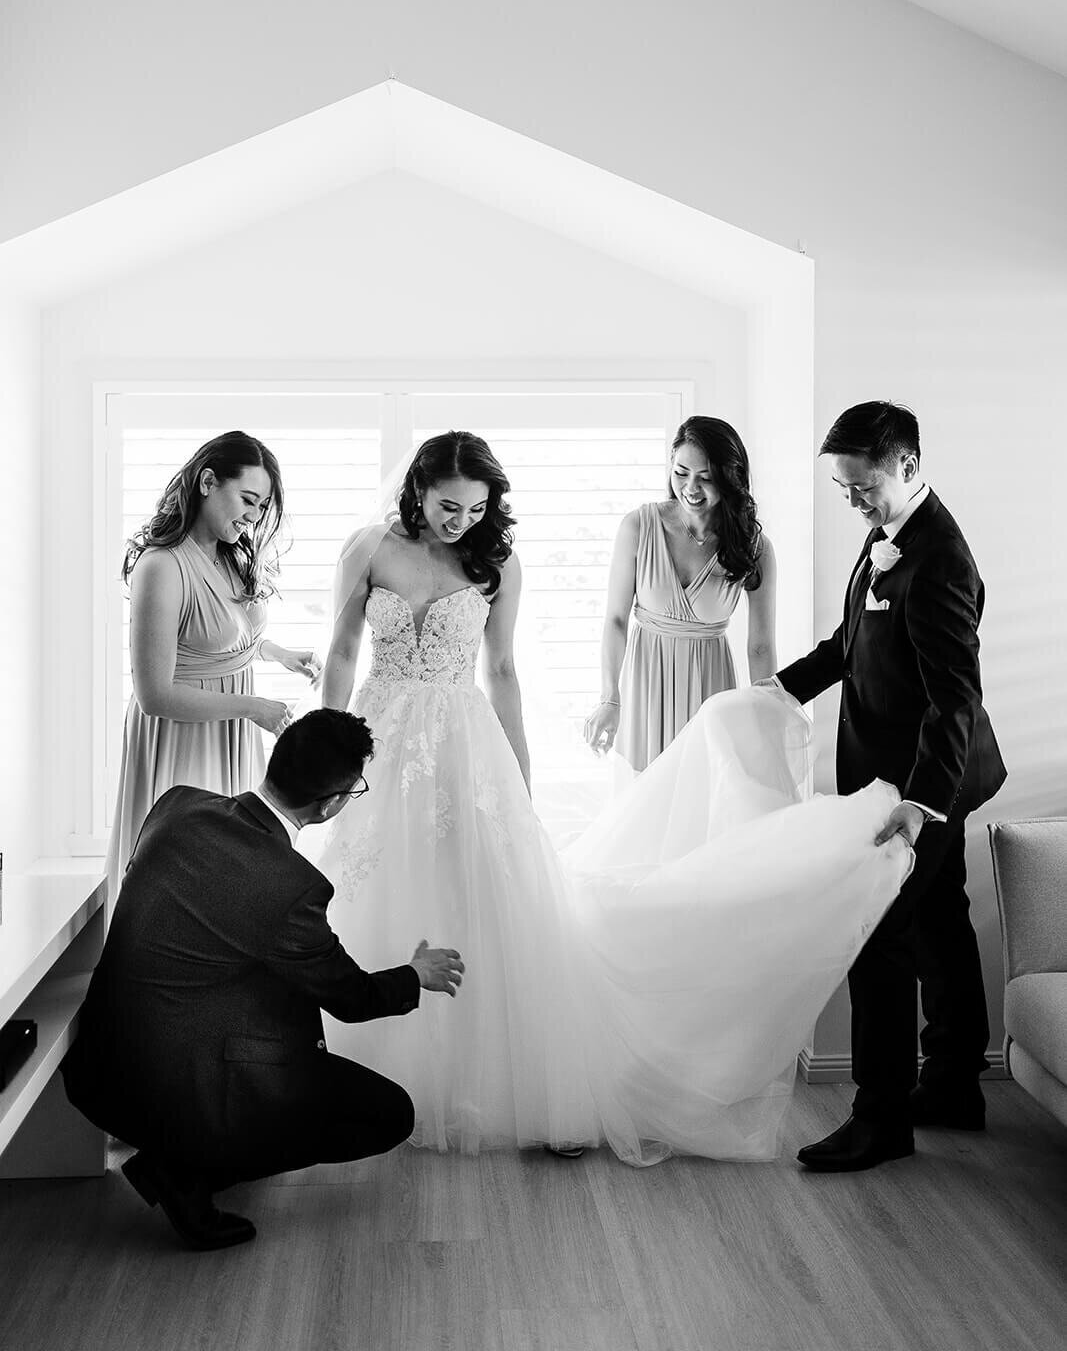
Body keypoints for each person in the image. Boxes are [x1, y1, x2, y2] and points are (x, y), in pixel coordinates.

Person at [316, 430, 912, 1164]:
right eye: (447, 506)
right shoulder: (367, 548)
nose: (460, 521)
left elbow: (501, 670)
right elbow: (342, 651)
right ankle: (370, 1063)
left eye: (474, 509)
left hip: (460, 735)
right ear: (416, 489)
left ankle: (484, 1074)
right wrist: (331, 747)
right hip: (375, 726)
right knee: (373, 884)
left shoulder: (496, 561)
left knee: (473, 889)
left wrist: (518, 776)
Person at [62, 709, 464, 1251]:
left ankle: (187, 1154)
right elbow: (352, 997)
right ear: (331, 804)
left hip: (99, 1069)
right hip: (169, 1090)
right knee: (391, 1115)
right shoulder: (292, 887)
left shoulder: (177, 804)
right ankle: (186, 1171)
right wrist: (417, 975)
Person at [767, 402, 1006, 1172]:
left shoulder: (937, 557)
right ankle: (951, 1086)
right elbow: (849, 643)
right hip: (907, 772)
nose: (853, 503)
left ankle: (880, 1119)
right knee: (938, 917)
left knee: (875, 933)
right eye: (843, 490)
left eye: (860, 487)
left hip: (926, 778)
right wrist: (779, 691)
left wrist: (918, 803)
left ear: (903, 464)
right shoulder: (887, 535)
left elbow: (952, 698)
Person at [105, 430, 321, 907]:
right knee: (185, 880)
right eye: (248, 499)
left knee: (228, 881)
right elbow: (155, 694)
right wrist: (254, 707)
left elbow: (222, 639)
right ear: (207, 482)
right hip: (184, 738)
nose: (253, 515)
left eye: (262, 507)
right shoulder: (162, 566)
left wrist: (277, 653)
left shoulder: (227, 560)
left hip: (229, 734)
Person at [584, 416, 776, 771]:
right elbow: (614, 619)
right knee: (647, 801)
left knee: (705, 798)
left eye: (706, 478)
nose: (691, 488)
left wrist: (767, 716)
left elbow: (760, 644)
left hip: (711, 687)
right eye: (681, 473)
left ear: (731, 478)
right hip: (646, 685)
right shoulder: (639, 526)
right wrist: (610, 699)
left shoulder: (754, 546)